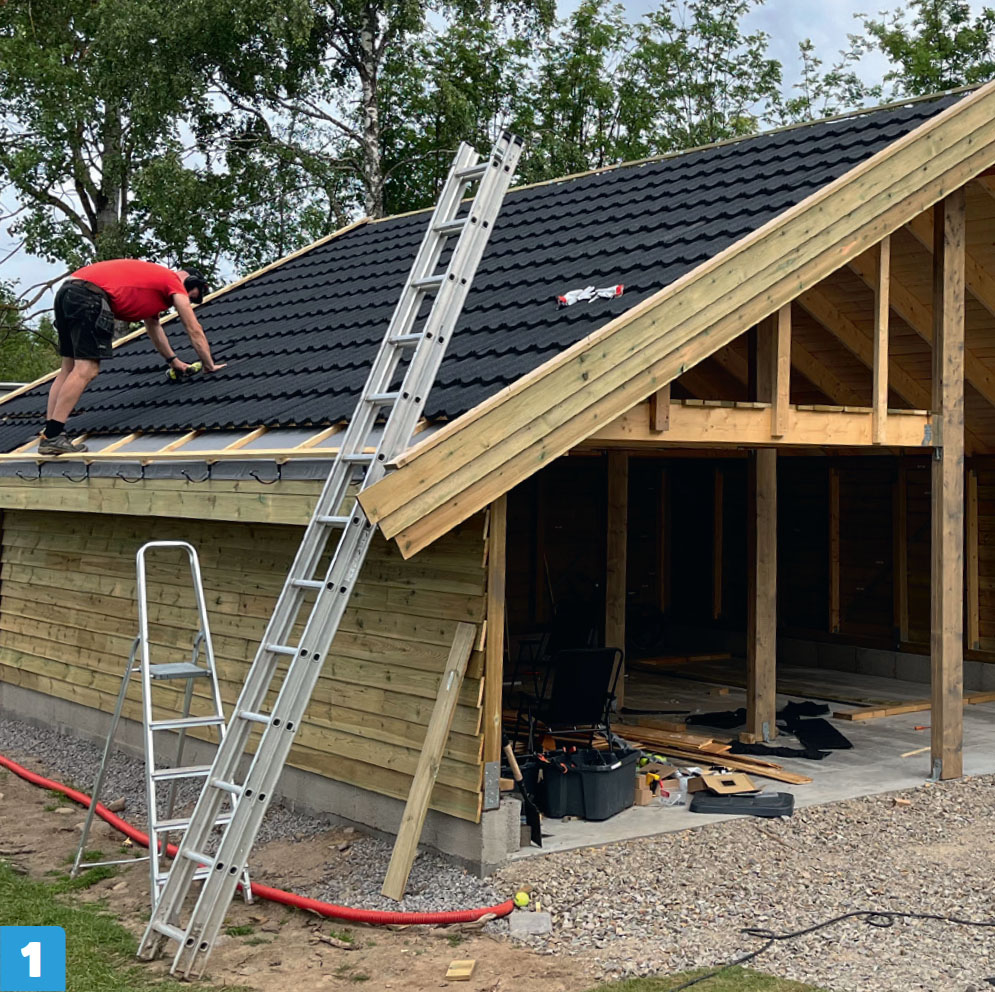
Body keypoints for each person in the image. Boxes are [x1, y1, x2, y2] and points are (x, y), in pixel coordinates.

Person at [41, 259, 226, 455]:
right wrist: (209, 365)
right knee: (87, 369)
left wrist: (174, 361)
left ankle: (49, 432)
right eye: (190, 294)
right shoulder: (173, 281)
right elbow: (193, 328)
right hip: (88, 296)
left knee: (68, 369)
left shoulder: (155, 285)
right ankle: (54, 436)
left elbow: (154, 327)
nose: (186, 299)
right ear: (189, 280)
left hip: (67, 293)